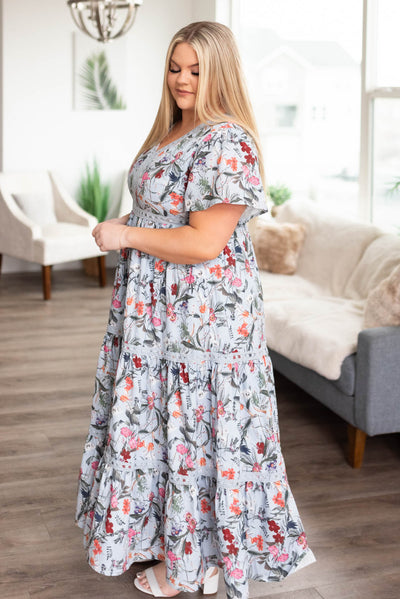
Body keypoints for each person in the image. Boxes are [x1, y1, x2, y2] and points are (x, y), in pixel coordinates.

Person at [75, 20, 316, 599]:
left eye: (196, 69)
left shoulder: (226, 140)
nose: (183, 80)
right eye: (175, 67)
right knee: (160, 427)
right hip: (155, 311)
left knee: (196, 430)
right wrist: (127, 224)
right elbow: (167, 214)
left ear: (220, 72)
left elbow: (205, 242)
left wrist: (127, 238)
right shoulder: (175, 128)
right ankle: (180, 544)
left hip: (200, 318)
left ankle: (194, 565)